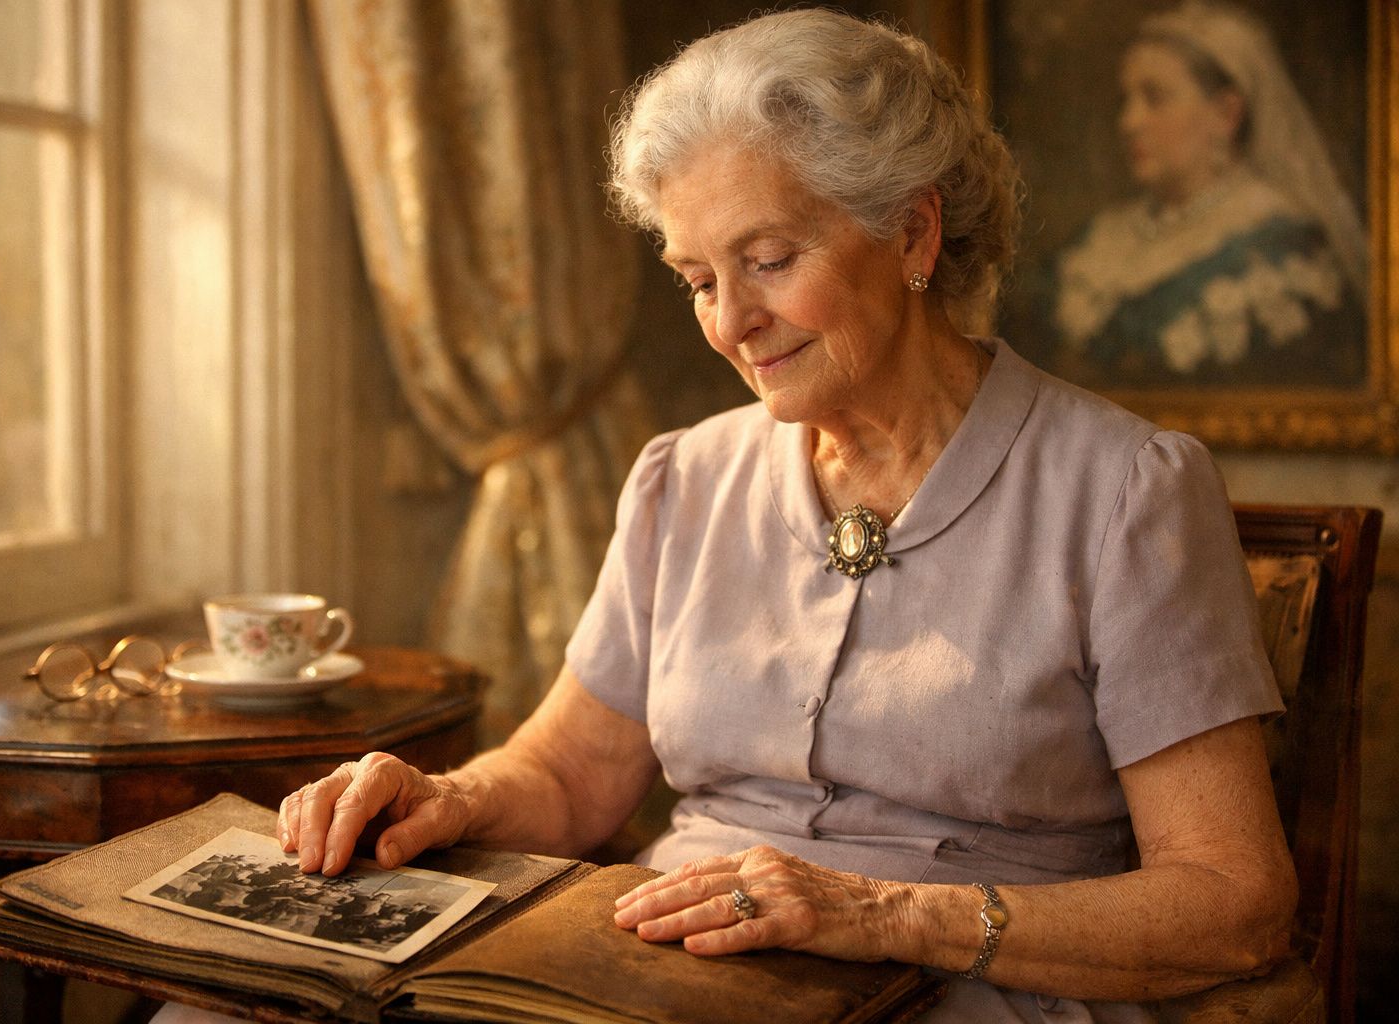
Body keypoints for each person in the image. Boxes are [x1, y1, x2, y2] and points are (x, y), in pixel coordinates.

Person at [160, 8, 1296, 1023]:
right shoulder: (685, 479)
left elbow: (1233, 902)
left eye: (769, 260)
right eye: (699, 278)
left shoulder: (1126, 491)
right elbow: (571, 774)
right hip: (662, 979)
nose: (730, 323)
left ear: (913, 234)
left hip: (958, 988)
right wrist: (446, 796)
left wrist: (887, 913)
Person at [1041, 1, 1366, 389]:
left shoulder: (1284, 246)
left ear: (1226, 114)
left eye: (1155, 98)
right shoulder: (1097, 241)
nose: (1129, 122)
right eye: (1126, 100)